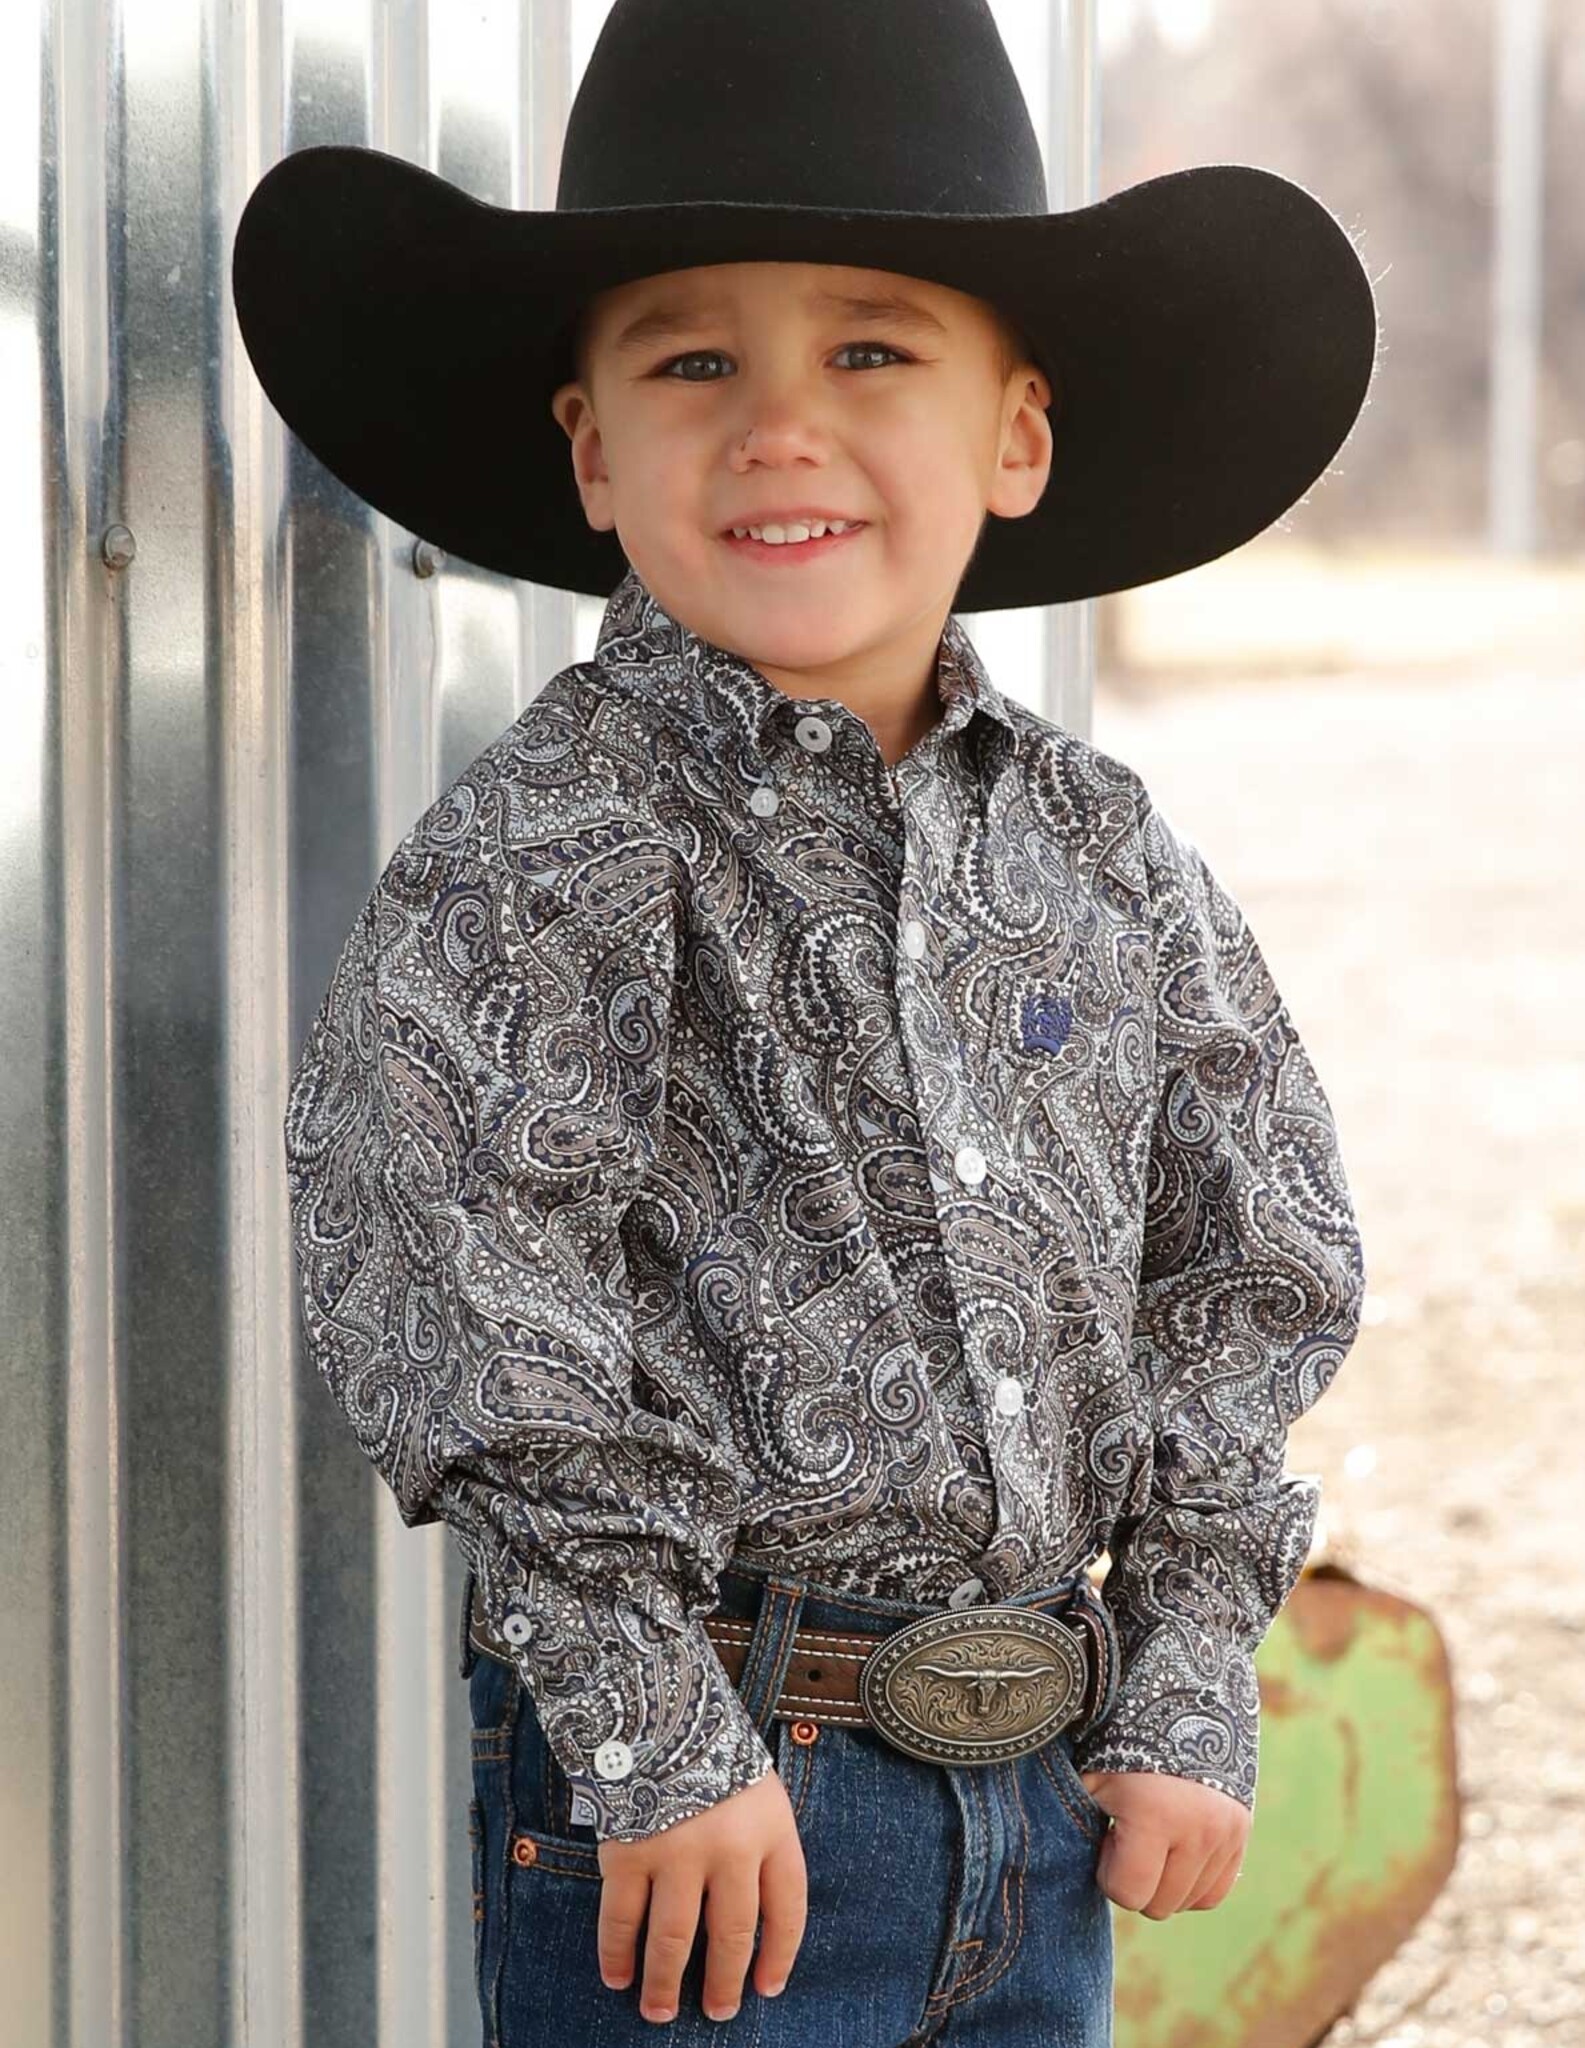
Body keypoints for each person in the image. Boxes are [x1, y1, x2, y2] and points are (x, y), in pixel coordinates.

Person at [234, 1, 1376, 2040]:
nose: (778, 427)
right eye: (691, 360)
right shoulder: (555, 848)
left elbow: (1247, 1254)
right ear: (587, 443)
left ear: (1010, 433)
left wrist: (1188, 1654)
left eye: (869, 348)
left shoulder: (1098, 850)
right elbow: (460, 1275)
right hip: (720, 1817)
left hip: (1034, 1795)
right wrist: (652, 1724)